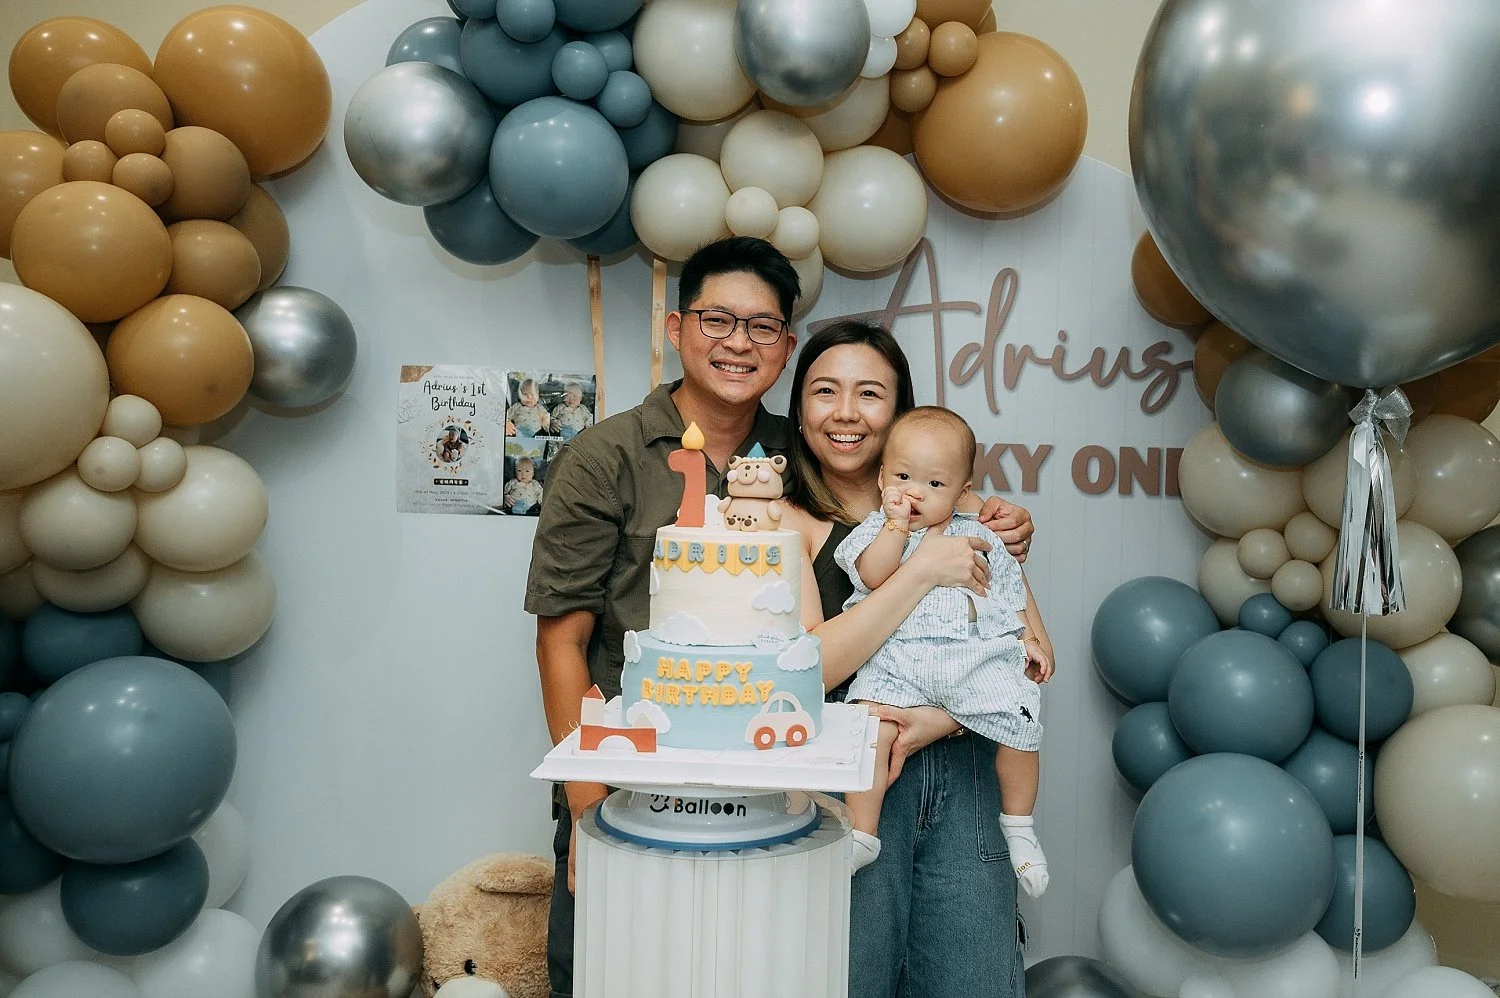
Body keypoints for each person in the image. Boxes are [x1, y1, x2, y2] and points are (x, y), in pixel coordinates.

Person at [526, 238, 1034, 998]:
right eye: (718, 320)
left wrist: (991, 526)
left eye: (761, 326)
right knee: (618, 971)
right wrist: (588, 813)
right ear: (677, 328)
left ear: (785, 347)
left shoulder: (816, 462)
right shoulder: (613, 460)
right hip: (636, 782)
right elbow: (561, 643)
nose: (739, 342)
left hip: (798, 790)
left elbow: (997, 612)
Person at [782, 319, 1053, 998]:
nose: (847, 412)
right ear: (799, 408)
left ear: (900, 411)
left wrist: (945, 718)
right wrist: (924, 569)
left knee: (972, 980)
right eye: (825, 391)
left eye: (870, 393)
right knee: (847, 978)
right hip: (851, 780)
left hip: (965, 774)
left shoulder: (969, 516)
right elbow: (811, 670)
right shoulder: (783, 518)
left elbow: (1025, 647)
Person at [834, 406, 1054, 899]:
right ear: (882, 478)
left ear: (961, 492)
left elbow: (1007, 595)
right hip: (898, 662)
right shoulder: (876, 529)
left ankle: (1019, 825)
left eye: (934, 484)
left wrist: (1028, 640)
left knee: (1020, 719)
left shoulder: (981, 536)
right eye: (903, 478)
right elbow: (872, 575)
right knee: (869, 731)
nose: (914, 492)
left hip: (969, 661)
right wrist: (895, 526)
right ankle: (862, 833)